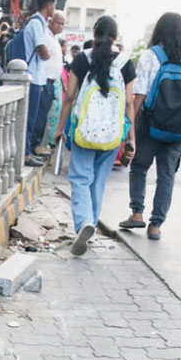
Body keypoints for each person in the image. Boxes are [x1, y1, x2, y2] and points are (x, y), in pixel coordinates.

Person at [118, 12, 181, 240]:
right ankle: (156, 226)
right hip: (178, 128)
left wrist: (130, 128)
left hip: (150, 123)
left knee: (139, 167)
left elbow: (139, 95)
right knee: (166, 176)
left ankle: (137, 214)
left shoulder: (151, 55)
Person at [53, 16, 136, 256]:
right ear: (116, 37)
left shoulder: (82, 58)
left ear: (95, 33)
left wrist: (60, 128)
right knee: (98, 181)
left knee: (80, 178)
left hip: (83, 131)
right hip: (113, 133)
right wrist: (131, 138)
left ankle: (83, 223)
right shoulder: (125, 62)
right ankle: (91, 223)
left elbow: (69, 97)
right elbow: (129, 102)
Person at [23, 0, 57, 164]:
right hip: (33, 76)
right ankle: (25, 154)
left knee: (35, 117)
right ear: (49, 5)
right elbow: (42, 51)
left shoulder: (41, 23)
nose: (54, 9)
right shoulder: (36, 23)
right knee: (30, 118)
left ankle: (28, 151)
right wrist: (49, 55)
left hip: (38, 77)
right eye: (54, 5)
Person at [33, 10, 65, 152]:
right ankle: (35, 146)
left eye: (63, 24)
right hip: (44, 80)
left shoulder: (55, 39)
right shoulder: (45, 36)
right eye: (58, 23)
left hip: (51, 82)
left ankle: (39, 144)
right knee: (39, 115)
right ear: (51, 21)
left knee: (45, 115)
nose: (60, 26)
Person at [47, 37, 69, 148]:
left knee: (58, 112)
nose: (66, 49)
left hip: (60, 89)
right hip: (55, 87)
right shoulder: (55, 59)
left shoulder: (63, 60)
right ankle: (51, 140)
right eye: (64, 46)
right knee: (53, 113)